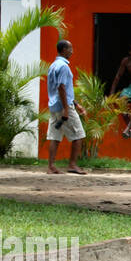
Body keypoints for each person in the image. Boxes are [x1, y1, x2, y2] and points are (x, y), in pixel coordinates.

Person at [46, 39, 87, 174]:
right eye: (70, 48)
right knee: (78, 135)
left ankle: (51, 166)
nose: (72, 51)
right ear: (64, 50)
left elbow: (64, 89)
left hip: (54, 106)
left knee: (55, 136)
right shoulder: (63, 66)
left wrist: (76, 104)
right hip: (63, 107)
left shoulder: (53, 65)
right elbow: (62, 87)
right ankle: (72, 165)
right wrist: (66, 109)